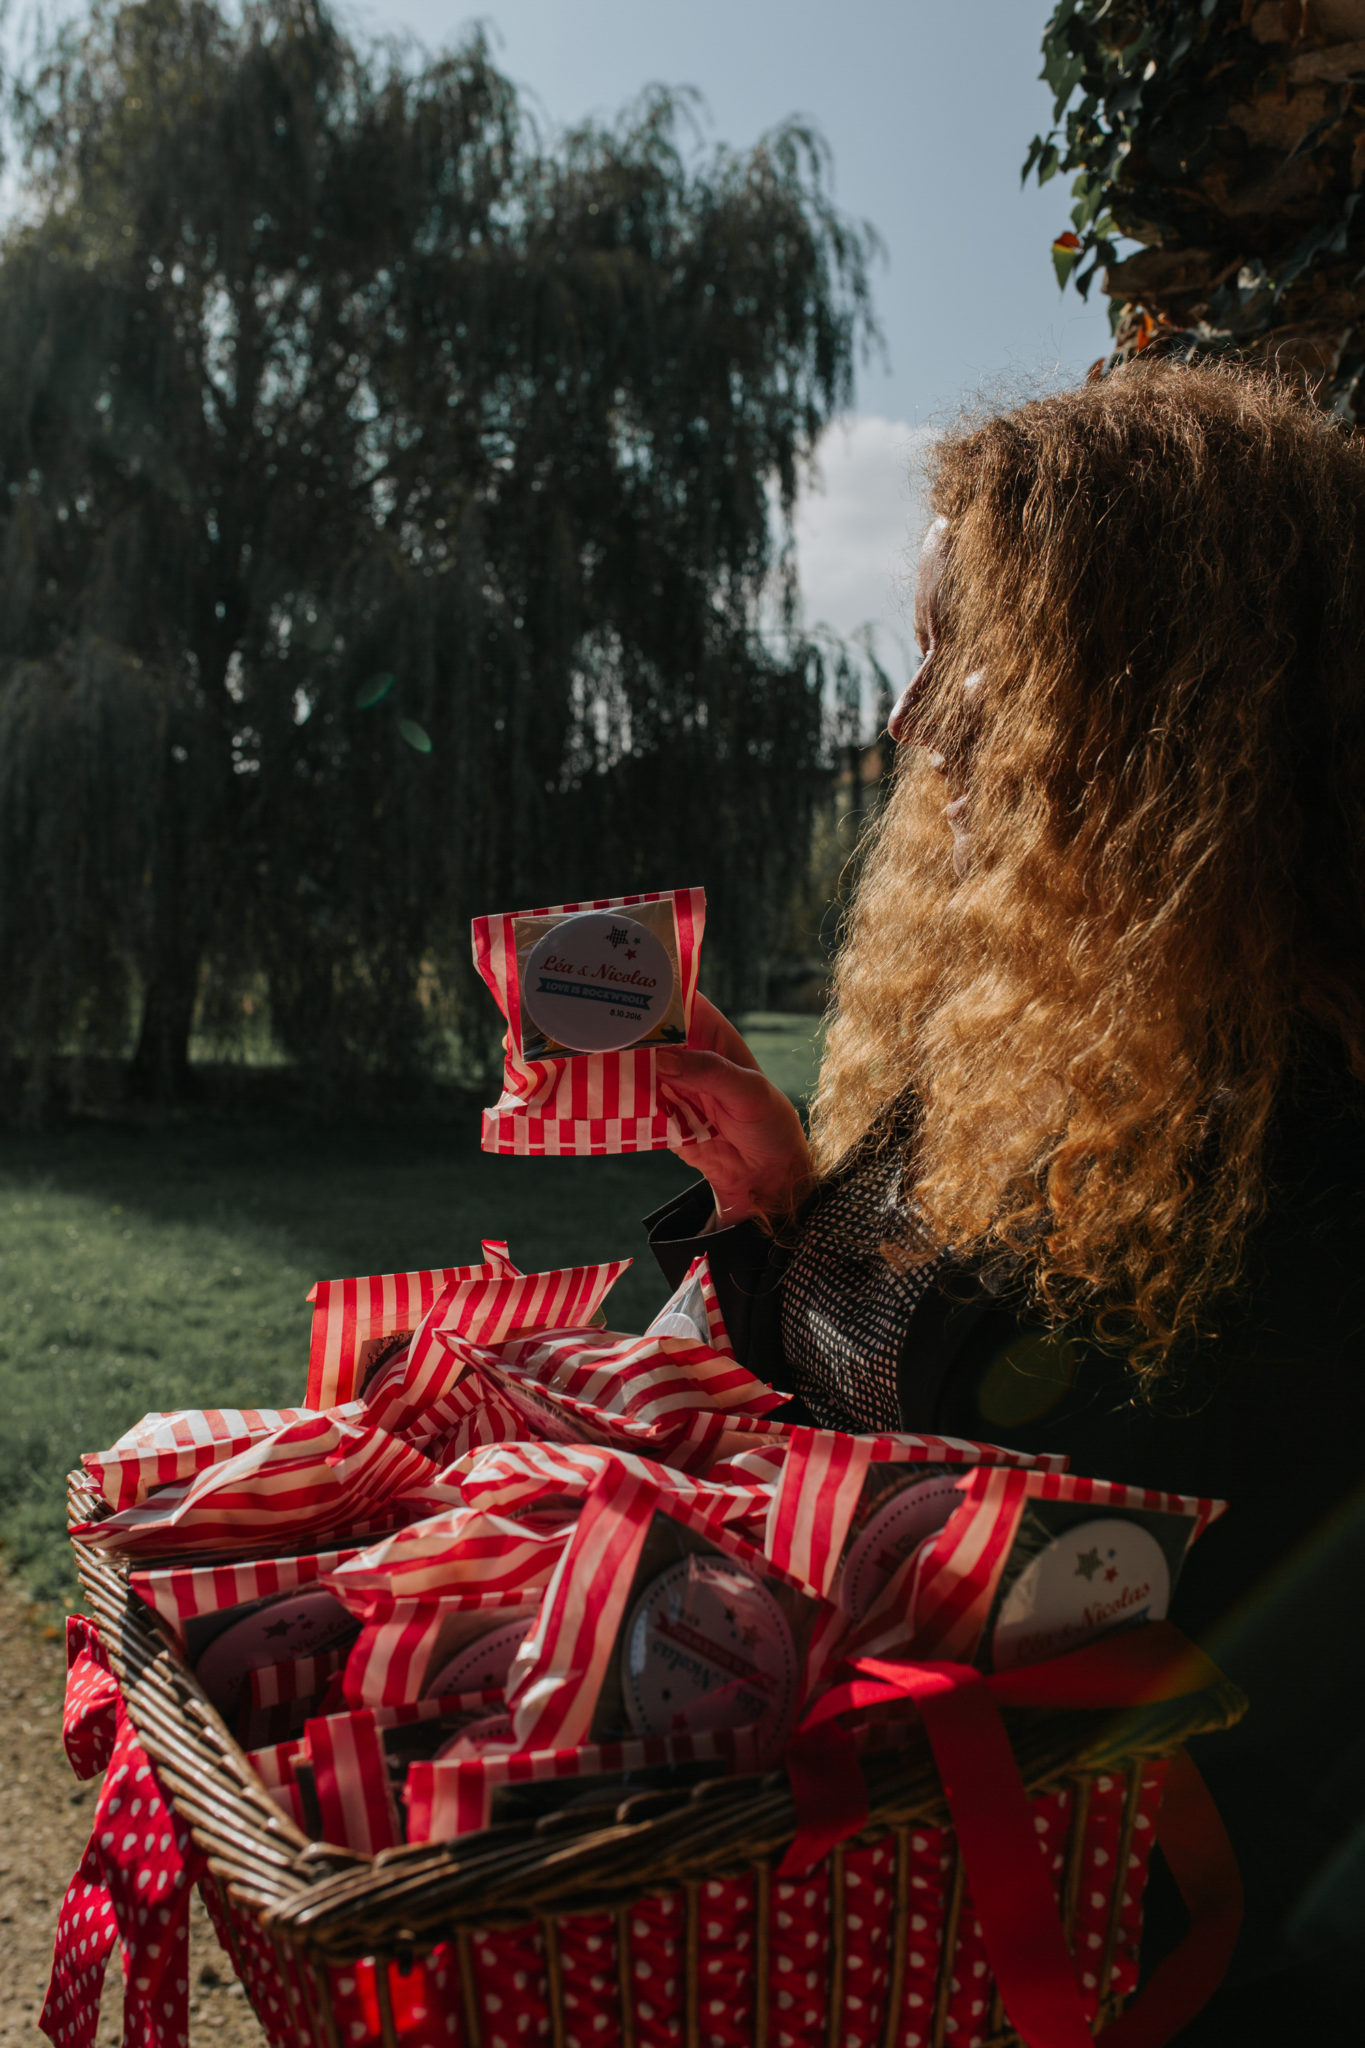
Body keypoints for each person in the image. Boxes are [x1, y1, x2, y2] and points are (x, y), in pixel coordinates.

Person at [647, 363, 1365, 2042]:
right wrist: (770, 1199)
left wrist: (814, 1250)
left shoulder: (1317, 1118)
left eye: (961, 643)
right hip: (951, 1905)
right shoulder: (1040, 1032)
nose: (909, 721)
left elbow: (1087, 1501)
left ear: (1161, 691)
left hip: (1184, 1959)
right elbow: (876, 1390)